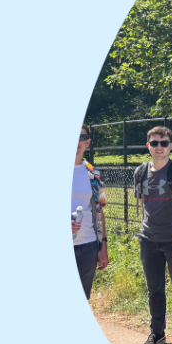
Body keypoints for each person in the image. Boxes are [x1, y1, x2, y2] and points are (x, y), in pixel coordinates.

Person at [133, 125, 172, 344]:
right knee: (154, 289)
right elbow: (142, 203)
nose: (159, 147)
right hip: (148, 239)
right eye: (155, 143)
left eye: (164, 143)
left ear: (171, 146)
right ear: (148, 146)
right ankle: (157, 334)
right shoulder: (140, 172)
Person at [72, 123, 108, 298]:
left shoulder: (93, 174)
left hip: (87, 246)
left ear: (87, 142)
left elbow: (99, 211)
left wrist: (103, 246)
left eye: (81, 137)